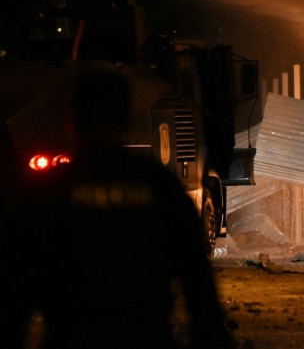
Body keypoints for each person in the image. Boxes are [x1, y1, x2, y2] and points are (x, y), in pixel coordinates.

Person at [0, 64, 237, 349]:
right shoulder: (159, 185)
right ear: (127, 121)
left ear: (70, 121)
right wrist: (209, 332)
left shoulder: (46, 192)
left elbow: (16, 293)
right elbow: (196, 278)